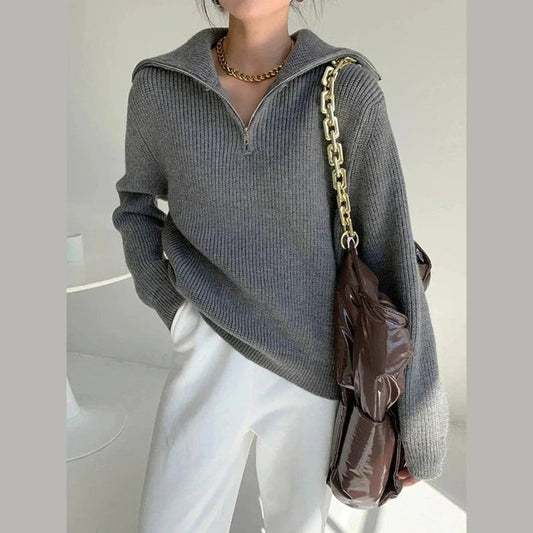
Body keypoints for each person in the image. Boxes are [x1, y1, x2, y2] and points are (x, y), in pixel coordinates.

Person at [111, 1, 450, 531]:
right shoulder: (161, 87)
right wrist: (175, 311)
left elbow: (389, 245)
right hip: (207, 349)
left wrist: (422, 420)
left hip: (317, 366)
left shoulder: (346, 87)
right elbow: (136, 207)